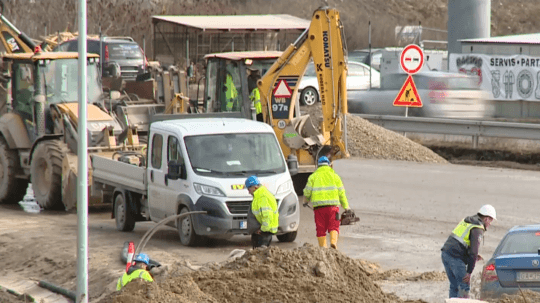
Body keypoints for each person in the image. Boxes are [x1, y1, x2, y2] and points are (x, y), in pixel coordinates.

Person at [441, 204, 497, 298]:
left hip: (445, 253)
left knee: (454, 286)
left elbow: (460, 241)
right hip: (455, 257)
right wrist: (469, 271)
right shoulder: (478, 228)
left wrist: (470, 254)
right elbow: (473, 252)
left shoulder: (468, 220)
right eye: (491, 220)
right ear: (486, 218)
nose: (490, 223)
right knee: (464, 285)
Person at [303, 156, 349, 249]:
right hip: (333, 207)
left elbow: (307, 192)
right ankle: (333, 243)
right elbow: (341, 193)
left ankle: (323, 248)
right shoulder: (335, 176)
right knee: (334, 226)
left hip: (319, 208)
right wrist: (346, 207)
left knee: (320, 229)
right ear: (329, 165)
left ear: (318, 166)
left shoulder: (313, 176)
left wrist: (305, 201)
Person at [245, 175, 279, 249]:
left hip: (264, 234)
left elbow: (267, 216)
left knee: (260, 254)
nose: (249, 192)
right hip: (262, 232)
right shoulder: (259, 195)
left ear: (255, 187)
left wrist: (262, 230)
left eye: (249, 189)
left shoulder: (262, 197)